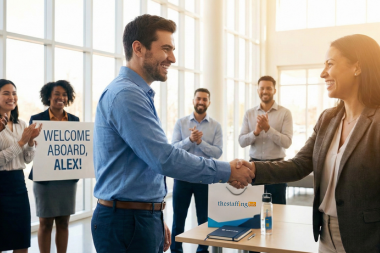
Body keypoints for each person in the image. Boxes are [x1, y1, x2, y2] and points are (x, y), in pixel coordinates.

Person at [91, 14, 254, 253]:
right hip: (126, 222)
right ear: (138, 48)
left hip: (137, 217)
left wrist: (154, 214)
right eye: (166, 49)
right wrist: (227, 170)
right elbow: (164, 158)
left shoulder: (137, 94)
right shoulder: (126, 95)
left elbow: (144, 166)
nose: (173, 58)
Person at [233, 34, 380, 253]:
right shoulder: (328, 119)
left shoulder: (376, 121)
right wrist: (253, 169)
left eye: (330, 64)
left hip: (367, 238)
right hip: (325, 234)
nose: (323, 73)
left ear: (357, 66)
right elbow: (299, 164)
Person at [29, 80, 79, 253]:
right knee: (45, 223)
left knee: (64, 222)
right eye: (57, 94)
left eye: (64, 95)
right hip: (45, 180)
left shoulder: (74, 120)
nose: (61, 97)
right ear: (48, 96)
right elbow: (31, 148)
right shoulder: (36, 120)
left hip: (67, 179)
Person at [171, 88, 222, 253]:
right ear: (193, 101)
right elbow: (173, 149)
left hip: (204, 177)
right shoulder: (181, 123)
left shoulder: (216, 126)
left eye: (204, 99)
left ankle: (203, 250)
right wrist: (189, 140)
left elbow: (218, 152)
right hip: (182, 177)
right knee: (178, 219)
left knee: (204, 220)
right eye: (198, 99)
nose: (201, 102)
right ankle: (176, 250)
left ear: (209, 102)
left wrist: (201, 143)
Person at [0, 79, 42, 253]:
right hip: (1, 184)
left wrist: (30, 141)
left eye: (14, 93)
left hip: (18, 185)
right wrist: (22, 141)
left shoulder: (22, 124)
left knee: (21, 239)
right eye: (6, 93)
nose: (12, 97)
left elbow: (26, 159)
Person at [239, 76, 293, 205]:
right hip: (253, 168)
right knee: (253, 209)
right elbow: (241, 142)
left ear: (274, 90)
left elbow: (287, 142)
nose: (265, 91)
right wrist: (256, 132)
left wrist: (268, 129)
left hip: (277, 168)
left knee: (279, 209)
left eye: (268, 88)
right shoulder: (249, 113)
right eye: (262, 88)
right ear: (258, 90)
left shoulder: (285, 113)